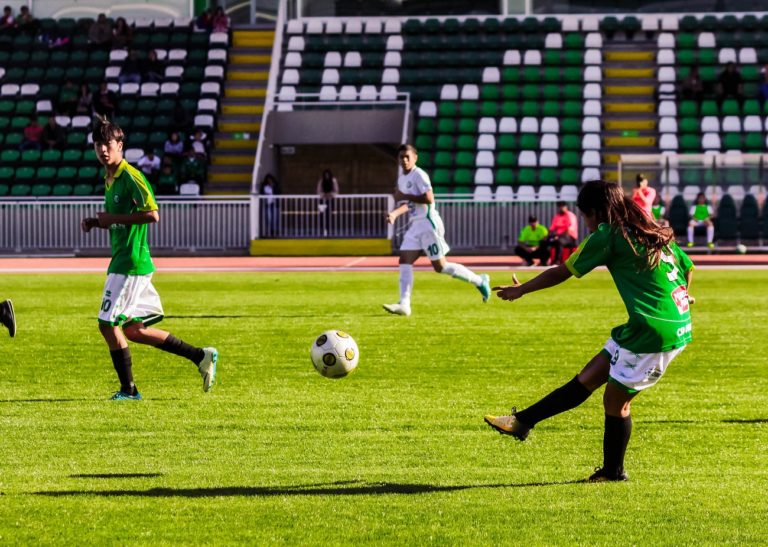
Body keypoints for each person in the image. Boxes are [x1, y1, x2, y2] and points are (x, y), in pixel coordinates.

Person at [485, 180, 695, 482]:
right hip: (662, 322)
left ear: (596, 212)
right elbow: (688, 266)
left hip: (653, 332)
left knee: (615, 401)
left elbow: (563, 271)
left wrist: (522, 291)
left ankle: (613, 473)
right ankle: (522, 422)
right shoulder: (647, 227)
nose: (585, 222)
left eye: (584, 215)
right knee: (589, 376)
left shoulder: (608, 235)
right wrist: (683, 295)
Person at [80, 117, 217, 400]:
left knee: (107, 325)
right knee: (134, 330)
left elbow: (152, 214)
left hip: (130, 264)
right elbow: (118, 221)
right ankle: (200, 356)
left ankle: (128, 390)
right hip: (124, 261)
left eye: (108, 144)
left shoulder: (131, 176)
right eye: (98, 145)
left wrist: (110, 219)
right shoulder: (109, 177)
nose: (103, 149)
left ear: (120, 145)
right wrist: (97, 222)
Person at [383, 144, 491, 316]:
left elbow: (428, 198)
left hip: (428, 224)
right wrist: (395, 213)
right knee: (404, 259)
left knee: (440, 267)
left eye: (407, 156)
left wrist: (405, 196)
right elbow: (408, 204)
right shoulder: (402, 179)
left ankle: (480, 280)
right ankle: (404, 304)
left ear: (415, 158)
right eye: (401, 157)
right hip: (415, 225)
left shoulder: (419, 175)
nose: (404, 160)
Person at [316, 169, 339, 237]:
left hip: (330, 200)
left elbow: (336, 191)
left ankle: (329, 231)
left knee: (329, 216)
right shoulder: (321, 181)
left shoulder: (333, 181)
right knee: (321, 215)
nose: (326, 176)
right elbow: (318, 191)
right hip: (322, 200)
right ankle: (322, 230)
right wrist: (323, 195)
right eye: (325, 175)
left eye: (328, 174)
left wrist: (330, 194)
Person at [260, 173, 280, 237]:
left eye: (270, 180)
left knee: (275, 218)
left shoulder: (275, 186)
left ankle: (275, 231)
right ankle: (270, 231)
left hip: (274, 204)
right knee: (269, 218)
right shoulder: (264, 187)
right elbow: (262, 193)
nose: (269, 181)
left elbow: (278, 193)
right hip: (267, 204)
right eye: (268, 180)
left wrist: (273, 187)